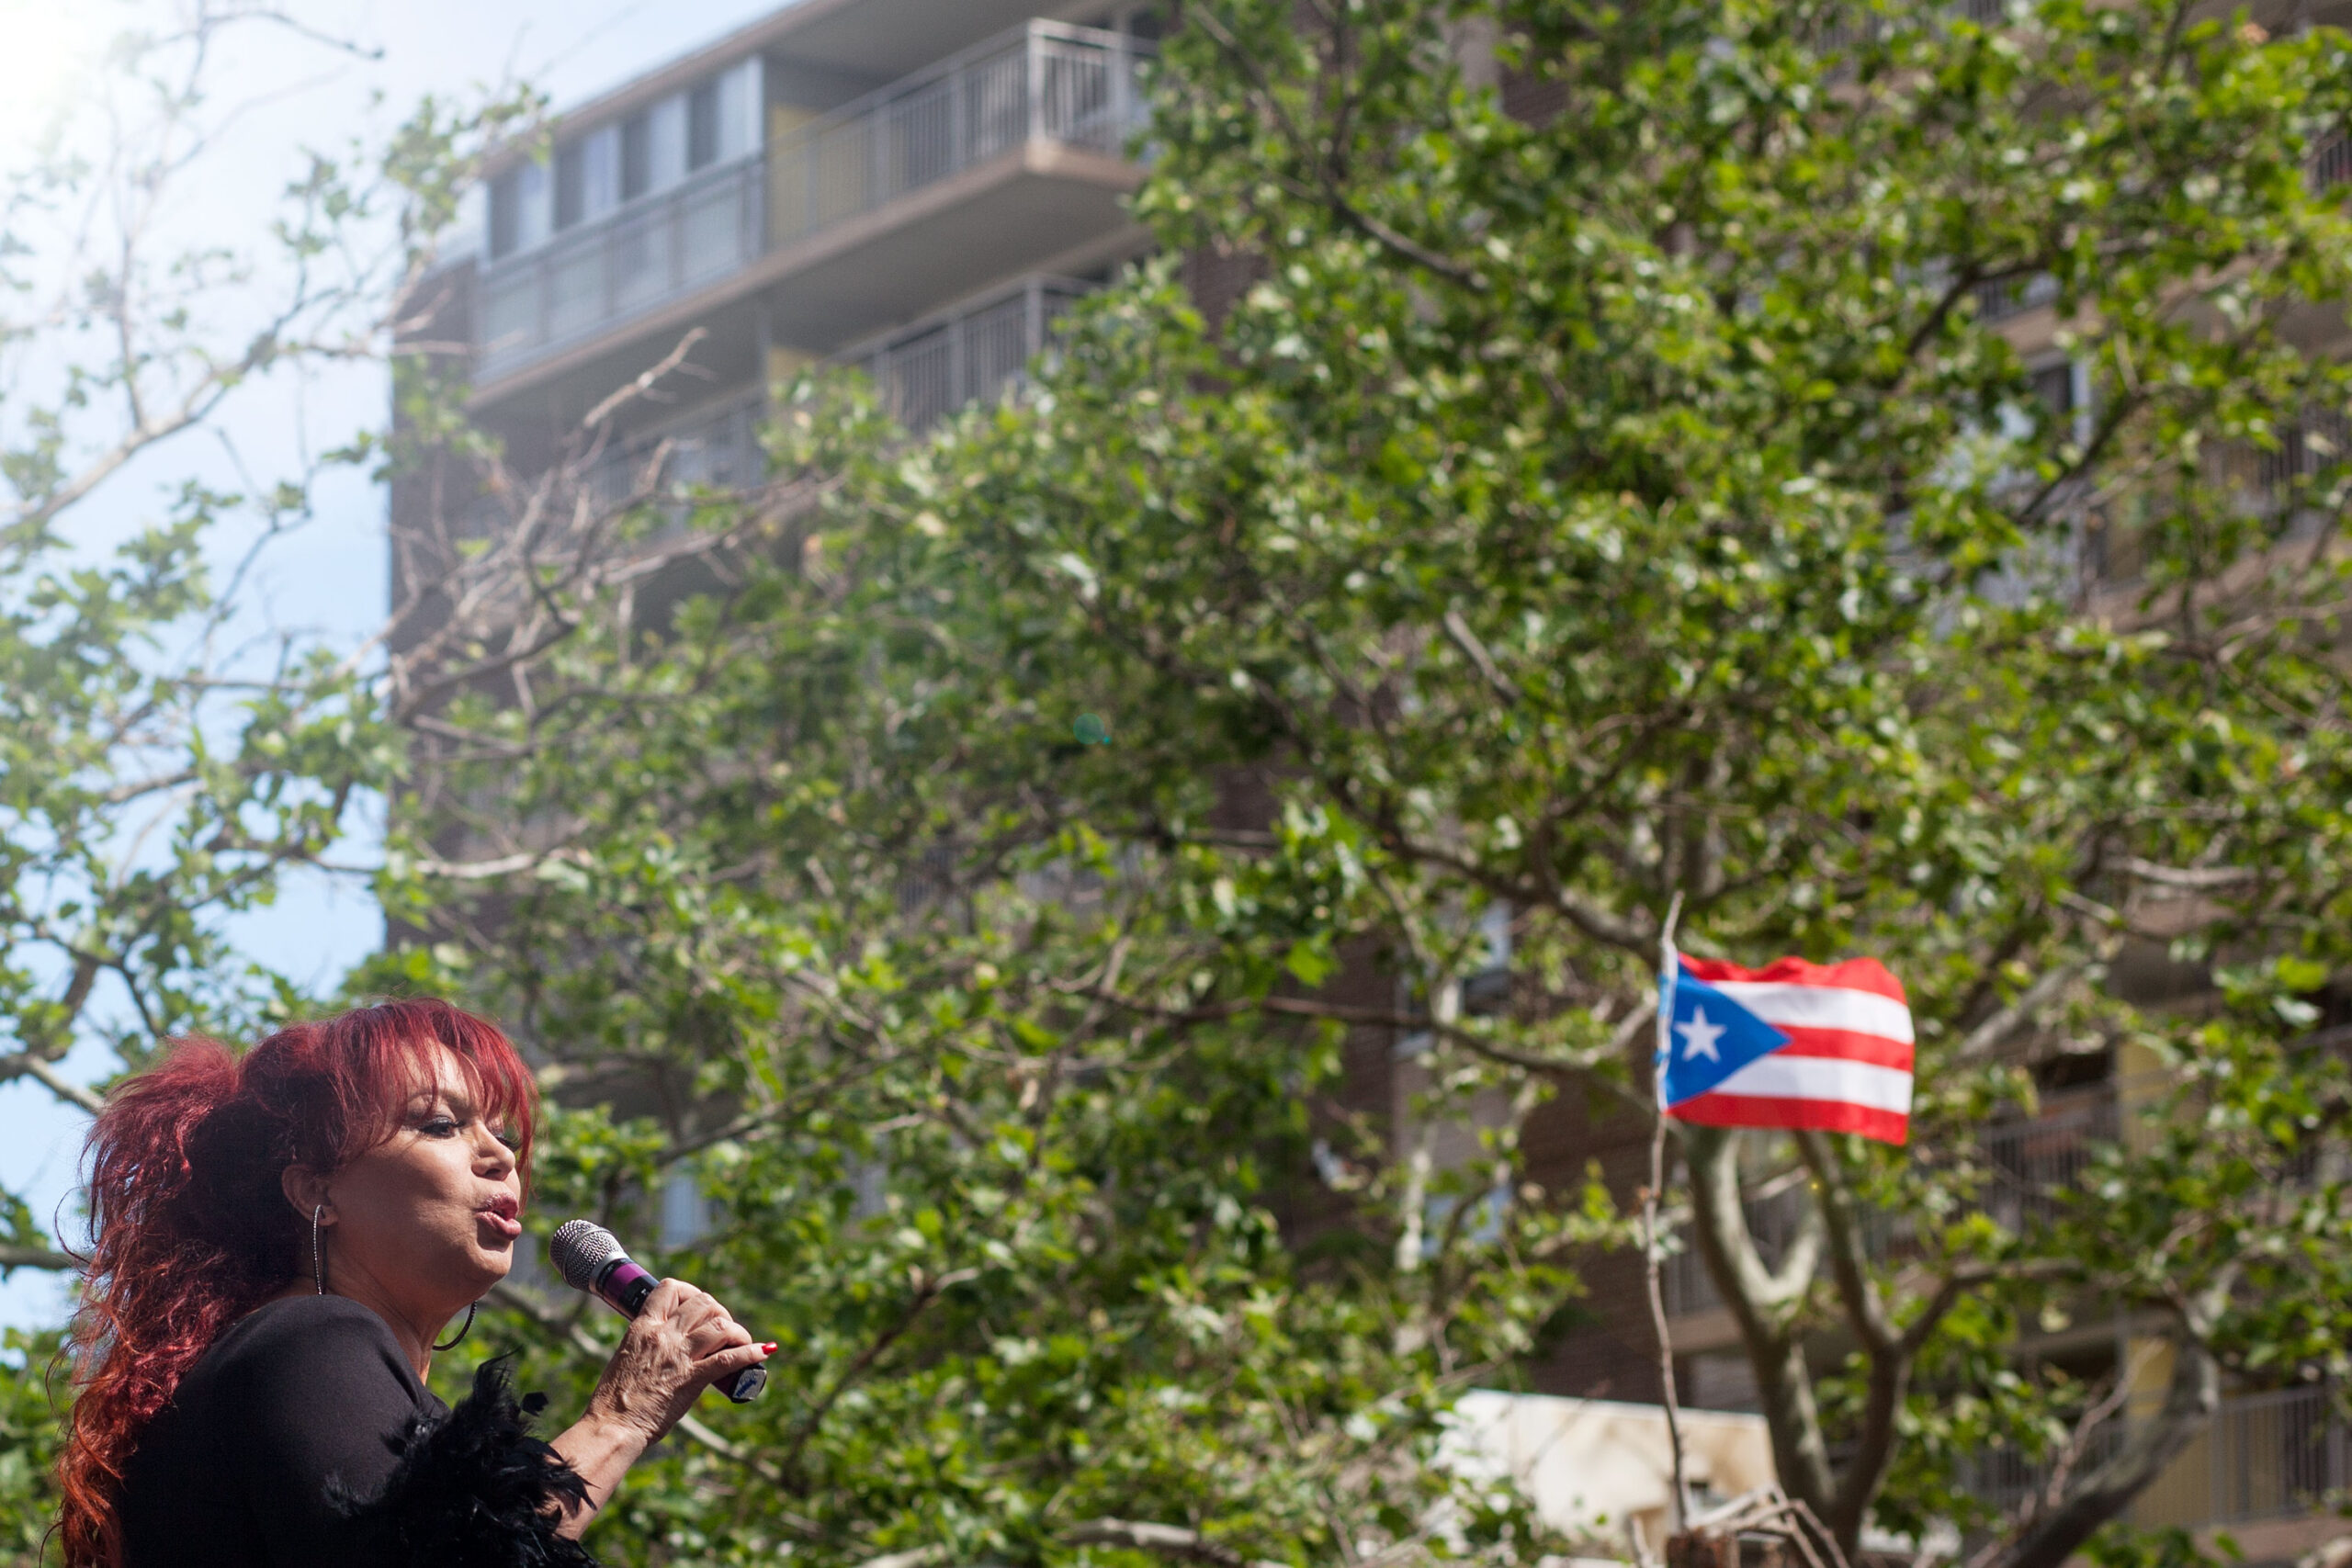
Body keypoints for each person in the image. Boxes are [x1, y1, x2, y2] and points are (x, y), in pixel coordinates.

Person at [54, 998, 775, 1568]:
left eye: (503, 1134)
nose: (499, 1155)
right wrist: (621, 1416)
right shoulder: (305, 1341)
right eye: (439, 1124)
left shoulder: (327, 1370)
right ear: (316, 1191)